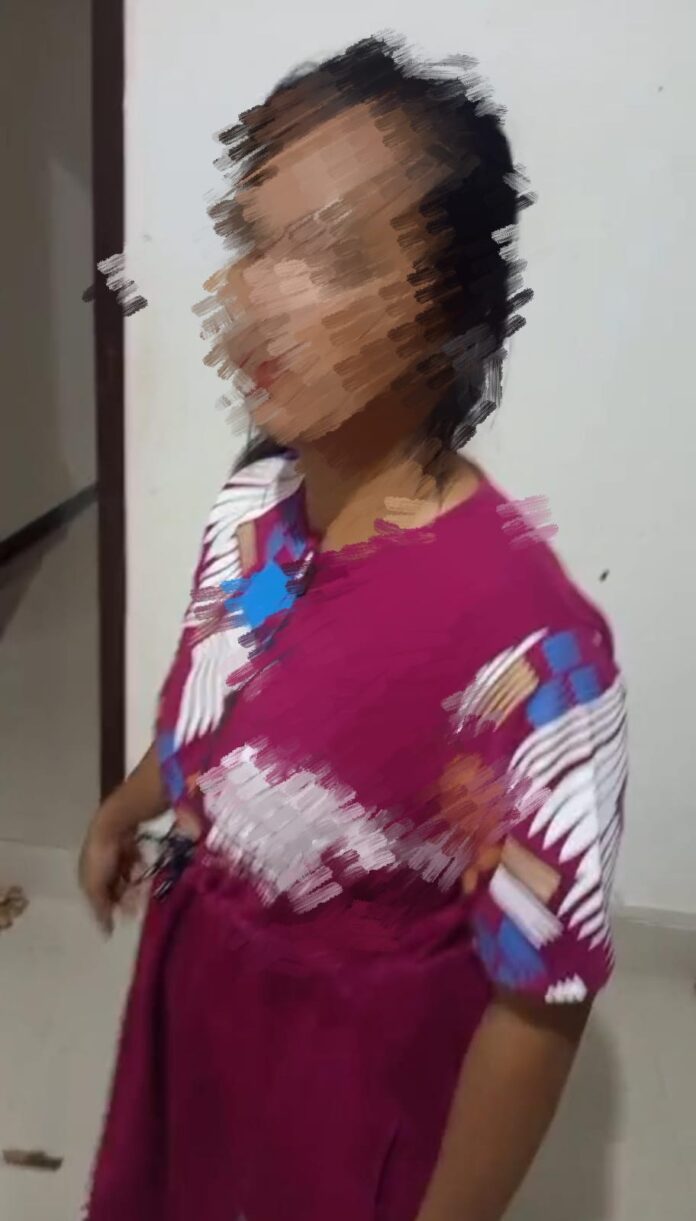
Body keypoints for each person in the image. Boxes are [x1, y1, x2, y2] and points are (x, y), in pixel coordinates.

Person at [80, 35, 627, 1221]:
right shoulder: (252, 511)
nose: (255, 294)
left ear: (450, 314)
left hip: (354, 1069)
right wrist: (128, 806)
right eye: (250, 241)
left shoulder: (533, 650)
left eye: (328, 258)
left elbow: (539, 1004)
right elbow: (213, 712)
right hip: (199, 991)